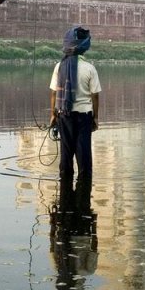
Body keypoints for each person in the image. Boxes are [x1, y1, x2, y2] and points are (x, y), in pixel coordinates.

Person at [48, 25, 101, 179]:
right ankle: (84, 191)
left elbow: (53, 92)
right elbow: (95, 96)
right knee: (83, 154)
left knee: (66, 153)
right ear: (84, 48)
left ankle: (65, 191)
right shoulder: (90, 68)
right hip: (84, 117)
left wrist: (53, 115)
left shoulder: (60, 67)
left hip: (64, 115)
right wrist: (95, 118)